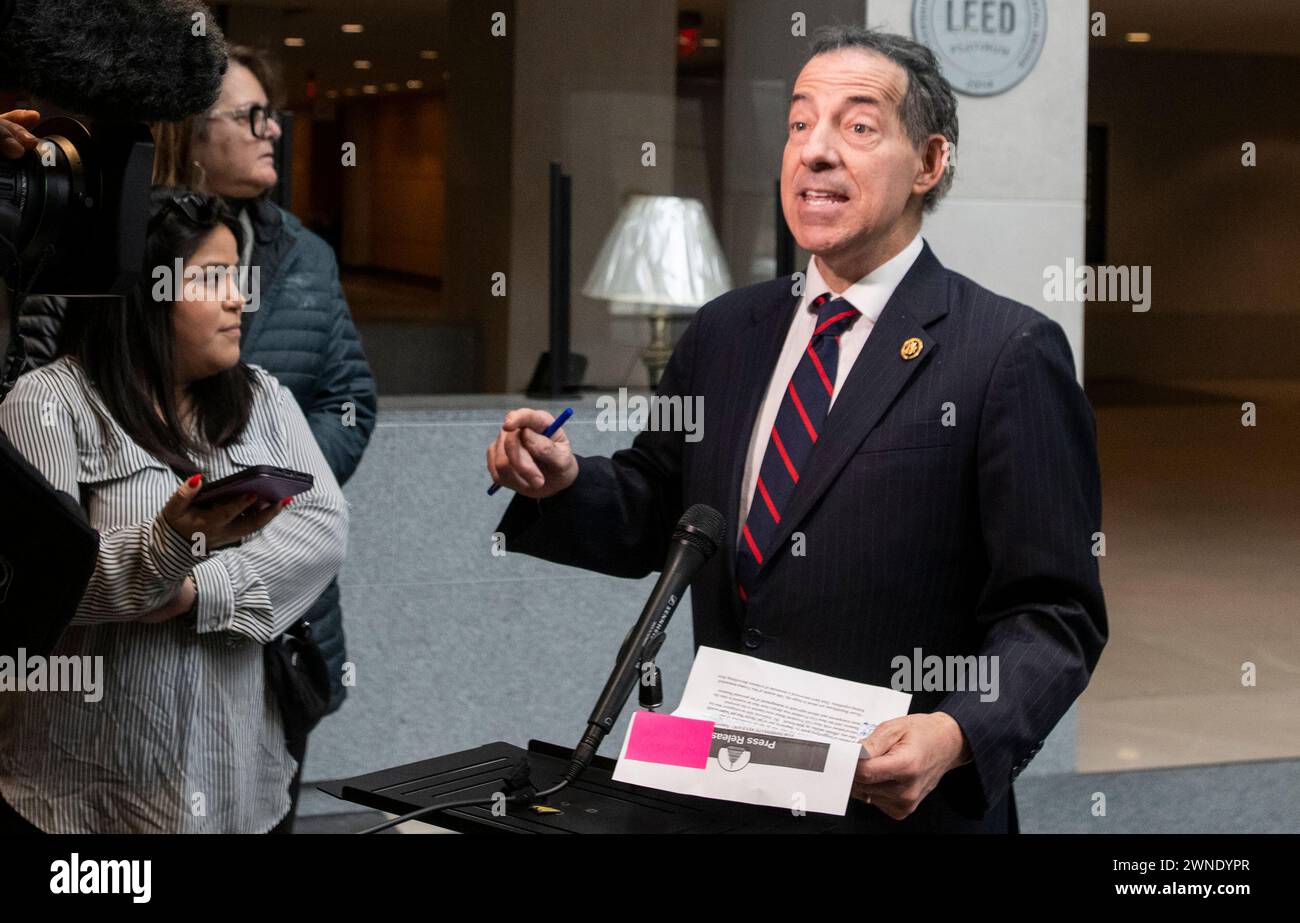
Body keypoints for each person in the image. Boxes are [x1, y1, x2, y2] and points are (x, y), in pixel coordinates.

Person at [486, 26, 1107, 833]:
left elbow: (1054, 611)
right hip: (724, 784)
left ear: (928, 162)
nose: (814, 152)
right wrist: (567, 481)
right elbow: (661, 509)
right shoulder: (725, 332)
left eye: (856, 126)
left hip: (895, 806)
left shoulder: (1005, 353)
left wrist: (954, 732)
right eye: (799, 123)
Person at [5, 46, 378, 828]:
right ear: (145, 298)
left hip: (232, 774)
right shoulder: (50, 403)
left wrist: (190, 590)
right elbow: (39, 587)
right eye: (211, 280)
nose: (239, 299)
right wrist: (164, 544)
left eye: (237, 276)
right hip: (87, 792)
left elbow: (322, 528)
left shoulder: (260, 397)